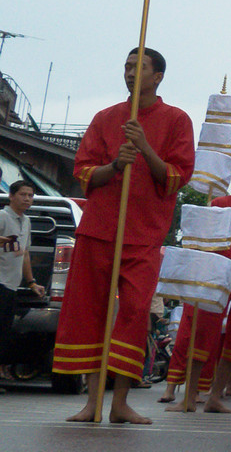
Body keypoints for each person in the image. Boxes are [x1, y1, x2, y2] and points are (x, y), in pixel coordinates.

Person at [53, 47, 195, 424]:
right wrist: (116, 164)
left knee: (133, 311)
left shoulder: (177, 119)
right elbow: (83, 172)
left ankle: (120, 404)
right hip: (99, 228)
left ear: (158, 76)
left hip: (144, 233)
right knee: (90, 311)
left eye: (140, 67)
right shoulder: (105, 118)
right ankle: (92, 402)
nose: (131, 73)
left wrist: (146, 148)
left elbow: (179, 177)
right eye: (128, 67)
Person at [164, 169, 231, 414]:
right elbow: (203, 242)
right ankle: (189, 396)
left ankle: (215, 397)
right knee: (202, 333)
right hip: (217, 275)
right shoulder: (220, 204)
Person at [0, 180, 46, 387]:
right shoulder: (2, 216)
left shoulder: (26, 221)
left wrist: (31, 282)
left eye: (30, 195)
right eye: (23, 194)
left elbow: (25, 253)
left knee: (5, 331)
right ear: (11, 196)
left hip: (11, 285)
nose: (27, 199)